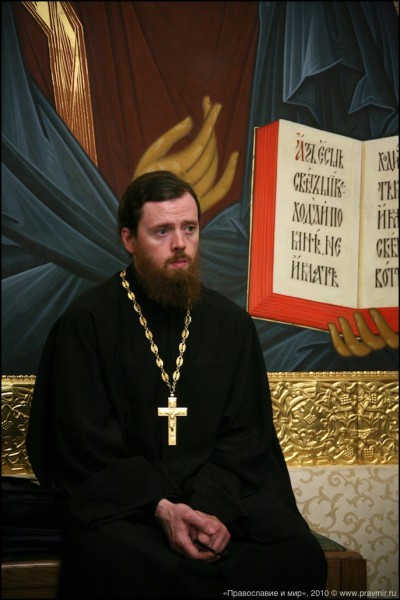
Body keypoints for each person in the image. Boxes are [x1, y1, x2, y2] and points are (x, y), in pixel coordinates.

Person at [26, 170, 327, 598]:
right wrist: (163, 506)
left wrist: (208, 510)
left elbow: (247, 438)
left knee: (295, 555)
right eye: (162, 231)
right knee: (118, 559)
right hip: (131, 507)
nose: (180, 243)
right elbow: (83, 446)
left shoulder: (231, 325)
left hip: (220, 497)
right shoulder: (86, 324)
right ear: (129, 239)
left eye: (189, 228)